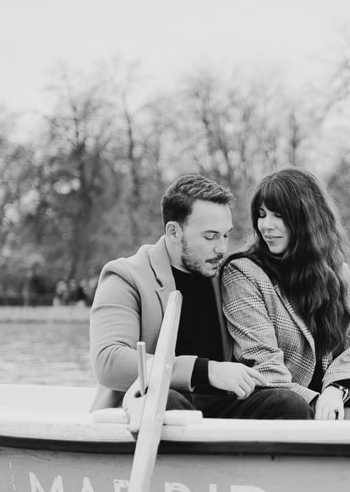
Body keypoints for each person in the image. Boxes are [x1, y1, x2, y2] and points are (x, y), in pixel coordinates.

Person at [89, 174, 311, 420]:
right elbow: (108, 361)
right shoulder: (126, 276)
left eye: (225, 235)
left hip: (221, 403)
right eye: (210, 237)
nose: (222, 249)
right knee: (166, 400)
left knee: (289, 404)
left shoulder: (230, 275)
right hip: (151, 405)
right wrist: (205, 371)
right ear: (174, 232)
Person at [221, 167, 350, 421]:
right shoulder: (244, 273)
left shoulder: (342, 276)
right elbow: (262, 363)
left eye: (278, 215)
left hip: (328, 390)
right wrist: (319, 401)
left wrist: (334, 391)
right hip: (280, 396)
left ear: (306, 218)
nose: (266, 226)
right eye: (261, 215)